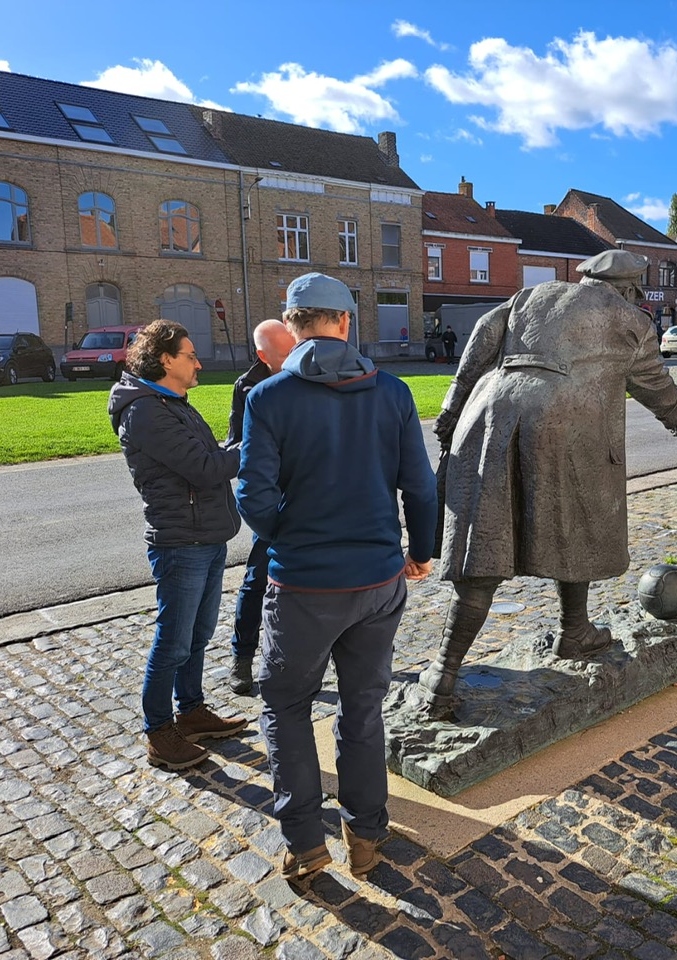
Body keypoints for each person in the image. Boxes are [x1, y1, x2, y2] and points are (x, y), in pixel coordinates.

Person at [420, 249, 677, 720]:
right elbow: (653, 382)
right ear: (628, 287)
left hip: (489, 410)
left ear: (585, 277)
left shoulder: (533, 293)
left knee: (483, 542)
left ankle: (447, 671)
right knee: (580, 519)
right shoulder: (630, 318)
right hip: (565, 422)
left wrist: (451, 406)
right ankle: (573, 629)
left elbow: (481, 341)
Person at [237, 272, 437, 883]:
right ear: (346, 323)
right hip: (378, 581)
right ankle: (366, 835)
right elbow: (421, 486)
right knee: (363, 710)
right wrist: (420, 551)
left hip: (304, 585)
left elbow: (253, 495)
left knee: (286, 706)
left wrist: (289, 534)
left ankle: (306, 843)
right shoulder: (393, 392)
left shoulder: (268, 397)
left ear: (292, 323)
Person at [108, 320, 247, 771]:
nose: (198, 362)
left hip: (205, 535)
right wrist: (257, 446)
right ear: (165, 359)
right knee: (172, 641)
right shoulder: (146, 411)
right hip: (180, 542)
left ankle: (191, 712)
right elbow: (205, 468)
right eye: (190, 355)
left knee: (198, 635)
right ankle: (159, 732)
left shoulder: (172, 403)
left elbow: (209, 458)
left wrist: (235, 448)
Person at [225, 318, 297, 695]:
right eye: (284, 354)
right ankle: (242, 656)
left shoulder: (310, 375)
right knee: (256, 580)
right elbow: (237, 444)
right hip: (273, 498)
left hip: (309, 492)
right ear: (262, 355)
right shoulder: (248, 387)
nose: (292, 359)